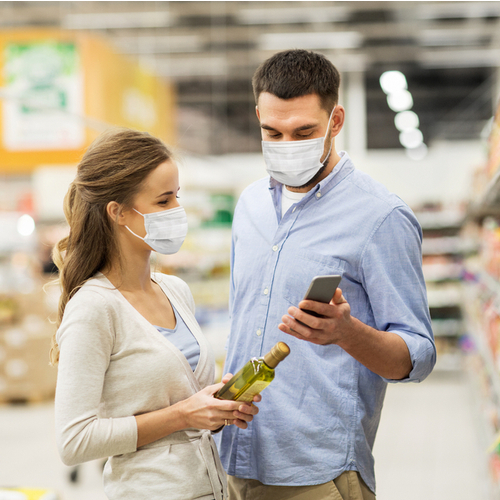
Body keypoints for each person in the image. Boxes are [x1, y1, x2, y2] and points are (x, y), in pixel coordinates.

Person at [218, 50, 436, 500]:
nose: (285, 143)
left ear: (335, 121)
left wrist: (347, 333)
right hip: (233, 454)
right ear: (258, 116)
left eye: (303, 132)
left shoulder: (380, 217)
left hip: (317, 472)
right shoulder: (250, 206)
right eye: (272, 132)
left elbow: (419, 355)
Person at [51, 128, 259, 500]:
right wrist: (184, 415)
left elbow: (185, 405)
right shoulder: (95, 308)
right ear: (117, 212)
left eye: (177, 198)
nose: (177, 212)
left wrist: (215, 406)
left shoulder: (174, 290)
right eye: (163, 202)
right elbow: (74, 440)